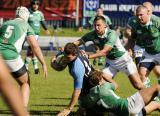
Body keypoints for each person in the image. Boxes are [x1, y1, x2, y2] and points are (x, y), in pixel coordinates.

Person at [74, 15, 144, 90]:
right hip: (110, 62)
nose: (96, 27)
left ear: (105, 25)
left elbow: (105, 52)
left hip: (124, 60)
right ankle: (109, 94)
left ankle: (153, 96)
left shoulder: (111, 34)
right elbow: (78, 42)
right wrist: (66, 48)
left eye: (98, 25)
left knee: (138, 85)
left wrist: (88, 56)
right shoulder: (92, 34)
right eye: (95, 25)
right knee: (100, 81)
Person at [0, 6, 48, 108]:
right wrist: (43, 63)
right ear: (26, 16)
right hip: (11, 57)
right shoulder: (26, 25)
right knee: (25, 82)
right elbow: (34, 46)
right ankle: (22, 111)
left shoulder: (6, 23)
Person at [51, 43, 118, 116]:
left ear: (75, 54)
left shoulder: (76, 69)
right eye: (65, 56)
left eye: (69, 58)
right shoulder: (79, 51)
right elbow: (63, 51)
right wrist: (55, 58)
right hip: (94, 82)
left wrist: (68, 109)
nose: (66, 59)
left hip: (91, 91)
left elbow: (77, 90)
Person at [79, 70, 160, 116]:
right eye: (102, 79)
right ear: (100, 81)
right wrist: (104, 75)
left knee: (157, 104)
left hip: (117, 114)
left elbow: (82, 108)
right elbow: (116, 85)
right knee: (157, 87)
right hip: (128, 106)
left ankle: (140, 113)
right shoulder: (104, 87)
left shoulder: (87, 99)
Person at [125, 2, 160, 88]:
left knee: (158, 72)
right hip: (147, 52)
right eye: (137, 15)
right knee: (141, 75)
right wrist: (129, 49)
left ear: (149, 12)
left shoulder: (156, 21)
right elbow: (131, 38)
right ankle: (152, 97)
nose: (139, 17)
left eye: (141, 15)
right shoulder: (135, 24)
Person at [24, 0, 50, 74]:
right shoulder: (28, 13)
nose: (35, 6)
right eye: (34, 4)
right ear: (31, 5)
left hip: (36, 34)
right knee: (31, 49)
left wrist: (46, 29)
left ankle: (34, 67)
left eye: (37, 4)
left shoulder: (40, 14)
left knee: (33, 49)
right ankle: (28, 67)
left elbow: (43, 22)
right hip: (29, 34)